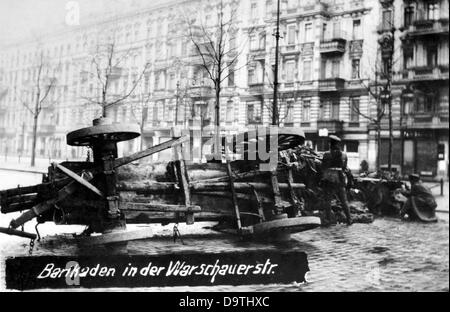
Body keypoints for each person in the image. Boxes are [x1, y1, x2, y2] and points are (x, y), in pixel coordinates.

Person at [320, 135, 352, 225]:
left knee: (328, 200)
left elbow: (323, 167)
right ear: (338, 144)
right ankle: (349, 219)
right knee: (344, 200)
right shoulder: (344, 155)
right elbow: (345, 167)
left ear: (330, 144)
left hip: (329, 179)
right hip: (340, 179)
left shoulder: (326, 154)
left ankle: (329, 220)